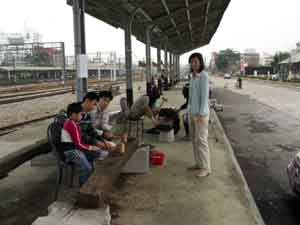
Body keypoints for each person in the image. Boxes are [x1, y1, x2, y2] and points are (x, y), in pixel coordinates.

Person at [60, 102, 108, 186]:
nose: (82, 116)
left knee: (99, 153)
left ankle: (89, 182)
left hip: (76, 149)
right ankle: (83, 188)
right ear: (73, 115)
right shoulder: (71, 124)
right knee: (87, 168)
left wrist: (95, 145)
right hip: (71, 152)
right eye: (80, 114)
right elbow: (78, 144)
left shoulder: (73, 123)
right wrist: (91, 147)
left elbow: (80, 142)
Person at [187, 52, 211, 178]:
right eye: (191, 62)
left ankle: (206, 168)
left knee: (201, 141)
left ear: (200, 62)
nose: (194, 64)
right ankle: (198, 163)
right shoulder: (192, 76)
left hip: (201, 115)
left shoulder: (204, 76)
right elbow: (190, 97)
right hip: (192, 113)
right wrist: (188, 110)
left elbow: (204, 97)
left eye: (196, 61)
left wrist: (201, 114)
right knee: (194, 141)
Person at [80, 92, 115, 164]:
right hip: (79, 145)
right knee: (105, 153)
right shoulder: (80, 114)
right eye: (95, 104)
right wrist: (97, 142)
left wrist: (103, 141)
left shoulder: (86, 115)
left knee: (110, 147)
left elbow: (91, 130)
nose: (95, 107)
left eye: (108, 102)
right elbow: (82, 135)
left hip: (89, 140)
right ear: (87, 101)